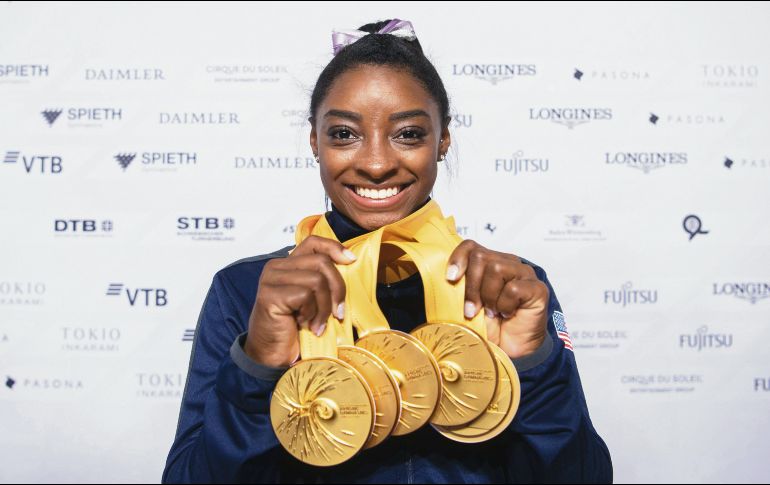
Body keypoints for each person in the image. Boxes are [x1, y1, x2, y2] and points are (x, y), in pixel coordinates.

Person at [162, 19, 612, 484]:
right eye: (343, 134)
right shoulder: (247, 290)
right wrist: (257, 368)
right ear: (315, 141)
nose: (376, 164)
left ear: (443, 141)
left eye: (408, 134)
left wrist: (531, 363)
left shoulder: (506, 288)